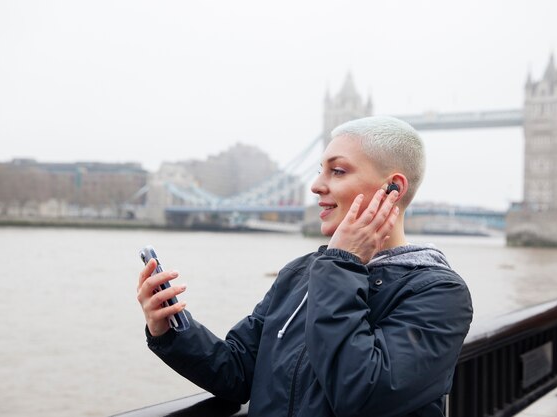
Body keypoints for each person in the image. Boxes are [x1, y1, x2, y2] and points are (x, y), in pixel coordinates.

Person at [137, 116, 473, 417]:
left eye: (337, 171)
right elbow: (237, 373)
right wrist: (171, 330)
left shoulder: (439, 293)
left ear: (393, 188)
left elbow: (360, 392)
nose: (315, 186)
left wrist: (343, 264)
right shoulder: (301, 273)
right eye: (319, 172)